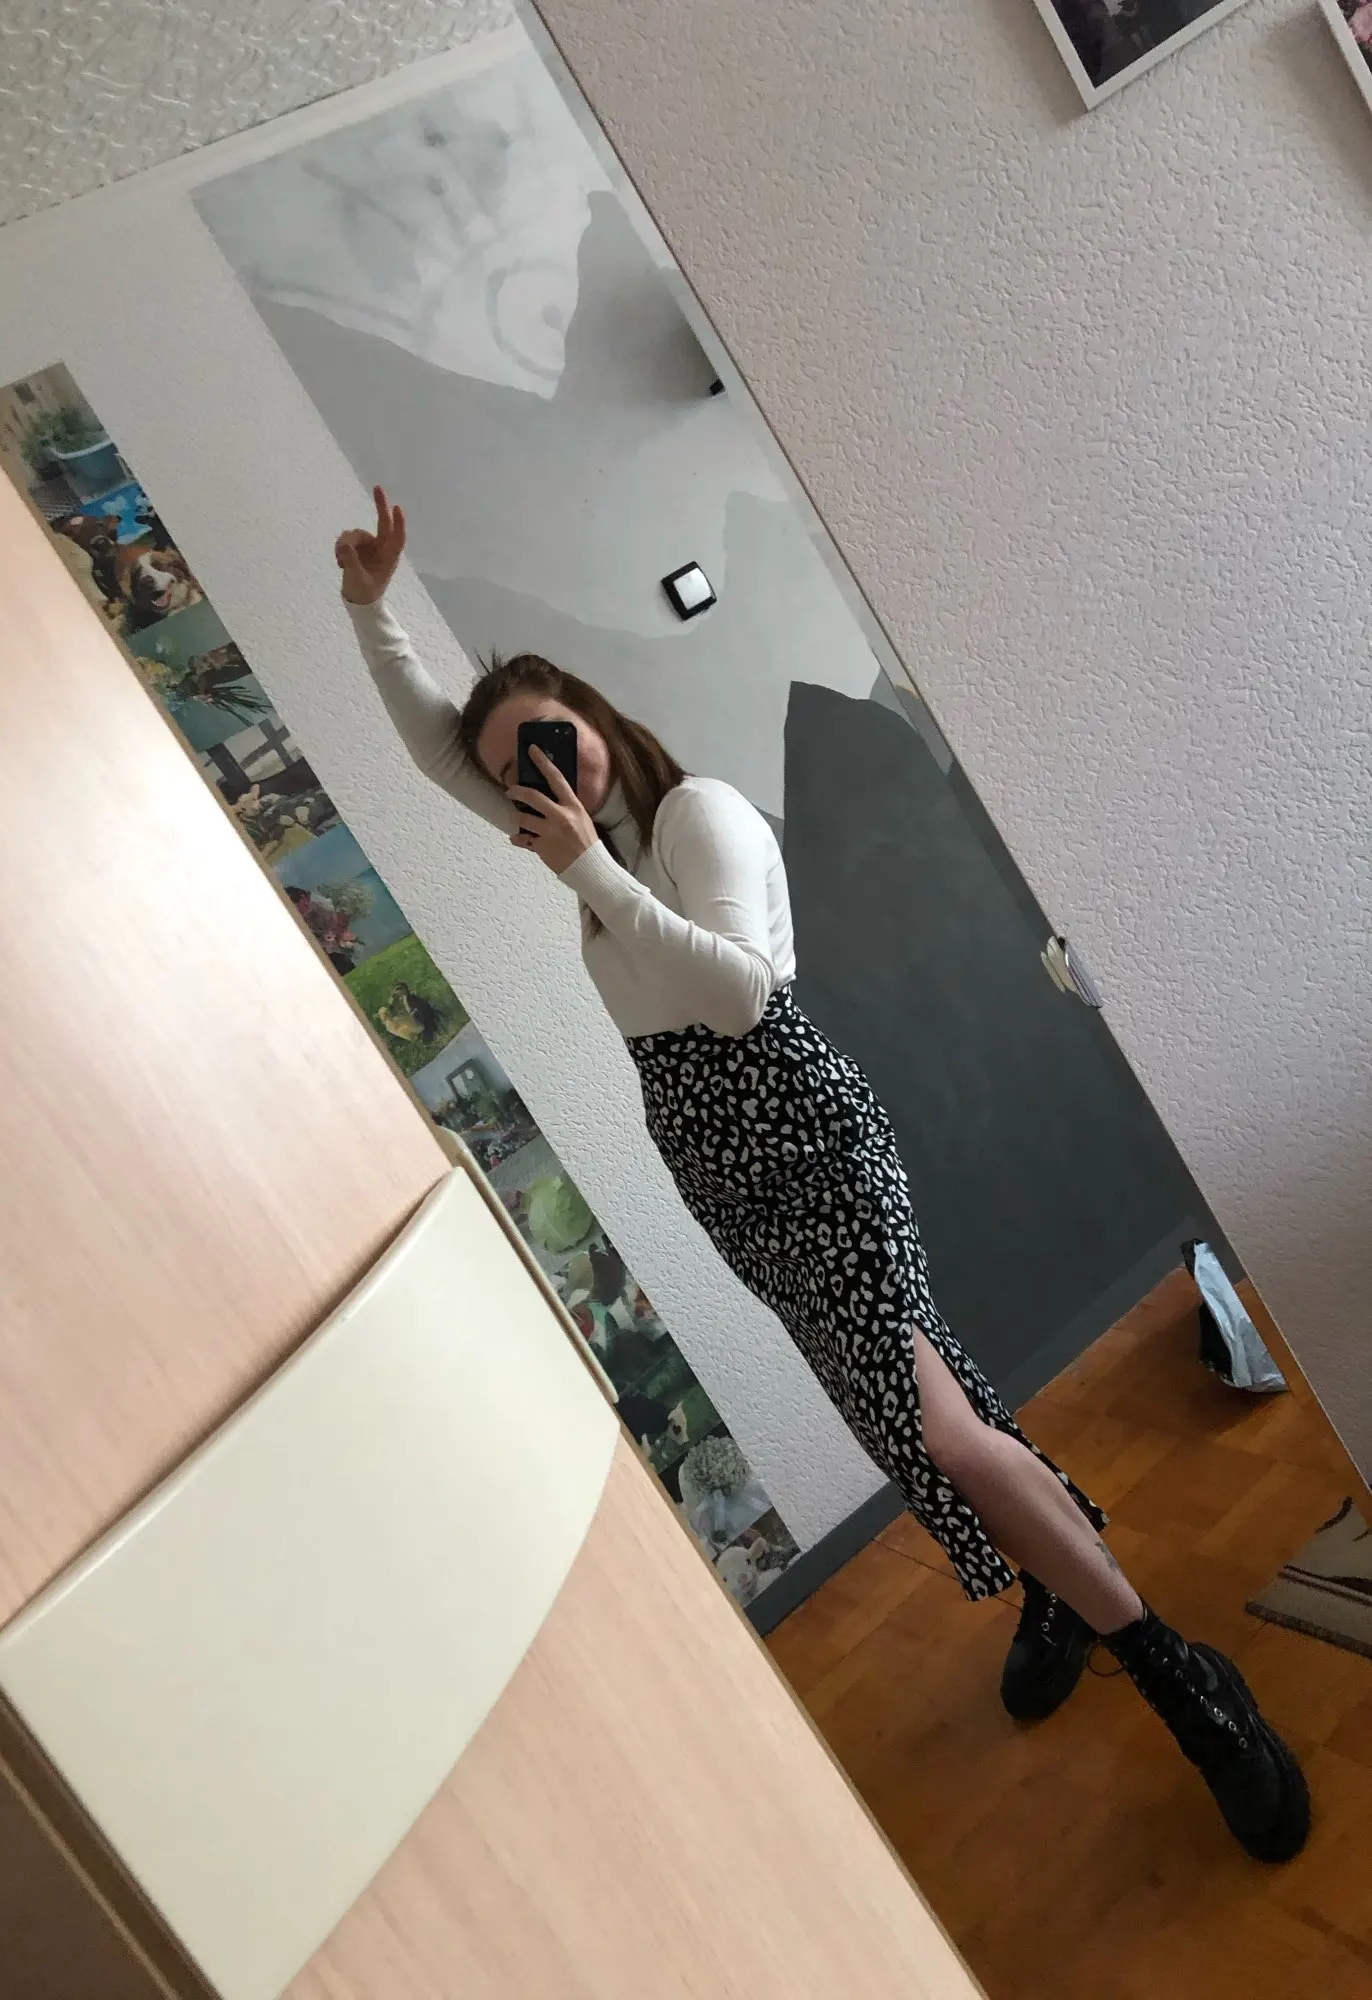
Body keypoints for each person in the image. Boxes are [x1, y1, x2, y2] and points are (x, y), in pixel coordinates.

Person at [334, 489, 1309, 1865]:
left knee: (941, 1432)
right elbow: (440, 745)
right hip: (729, 1188)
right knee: (916, 1418)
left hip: (809, 1145)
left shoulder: (695, 819)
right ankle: (1053, 1585)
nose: (541, 771)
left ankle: (1181, 1678)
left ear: (596, 718)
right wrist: (371, 608)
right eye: (512, 770)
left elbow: (739, 998)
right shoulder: (587, 857)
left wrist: (596, 873)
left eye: (554, 737)